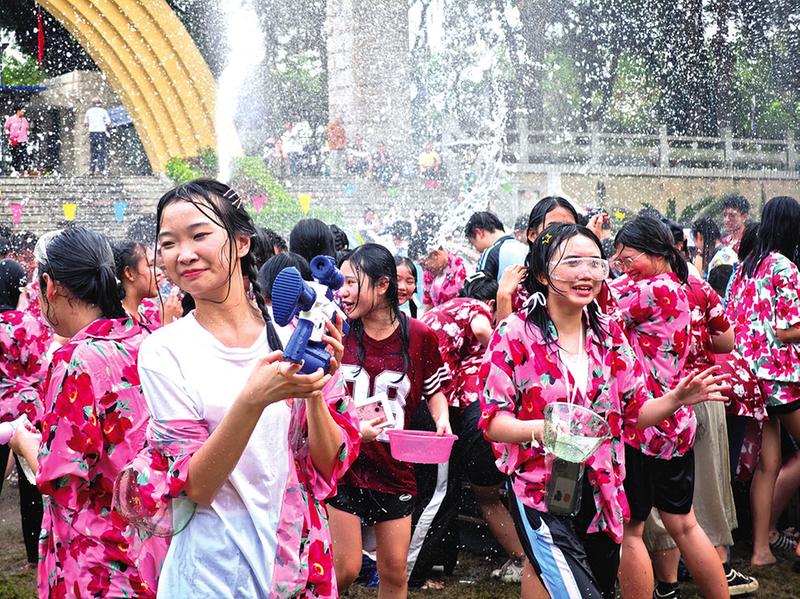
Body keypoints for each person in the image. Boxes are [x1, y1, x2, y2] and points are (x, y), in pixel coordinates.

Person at [113, 179, 360, 597]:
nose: (183, 254)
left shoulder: (293, 331)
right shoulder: (164, 350)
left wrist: (314, 390)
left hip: (293, 563)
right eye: (168, 242)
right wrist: (253, 400)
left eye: (200, 235)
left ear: (242, 242)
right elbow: (198, 485)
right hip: (210, 572)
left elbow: (326, 464)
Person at [480, 223, 729, 599]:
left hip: (603, 492)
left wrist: (676, 399)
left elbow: (634, 414)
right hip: (540, 492)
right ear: (544, 273)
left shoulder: (609, 334)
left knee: (593, 584)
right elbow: (494, 423)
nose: (586, 273)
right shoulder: (516, 334)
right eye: (573, 262)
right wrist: (549, 432)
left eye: (595, 263)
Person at [9, 226, 162, 597]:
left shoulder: (77, 361)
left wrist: (22, 441)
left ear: (50, 286)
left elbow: (62, 479)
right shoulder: (144, 340)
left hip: (95, 559)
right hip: (148, 546)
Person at [609, 217, 729, 599]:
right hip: (674, 423)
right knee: (684, 524)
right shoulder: (677, 283)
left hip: (644, 423)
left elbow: (593, 310)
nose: (623, 267)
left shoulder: (650, 291)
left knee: (631, 530)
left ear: (655, 251)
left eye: (629, 259)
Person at [327, 244, 450, 597]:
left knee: (395, 572)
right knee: (345, 567)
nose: (344, 291)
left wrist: (441, 419)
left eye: (353, 282)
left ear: (382, 285)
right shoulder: (338, 329)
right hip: (345, 463)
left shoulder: (418, 336)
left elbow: (434, 389)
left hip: (395, 466)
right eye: (342, 282)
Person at [644, 267, 759, 597]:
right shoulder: (696, 285)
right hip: (703, 391)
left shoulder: (626, 291)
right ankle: (721, 567)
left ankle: (667, 584)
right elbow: (726, 340)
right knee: (709, 488)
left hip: (654, 400)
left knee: (662, 504)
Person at [422, 273, 529, 583]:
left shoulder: (447, 317)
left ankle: (522, 559)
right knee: (492, 497)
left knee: (484, 496)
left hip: (445, 401)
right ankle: (523, 560)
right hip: (483, 417)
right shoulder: (476, 311)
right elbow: (486, 332)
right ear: (491, 303)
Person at [726, 195, 800, 567]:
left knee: (768, 465)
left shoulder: (745, 267)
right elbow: (789, 332)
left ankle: (760, 550)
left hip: (751, 378)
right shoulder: (785, 268)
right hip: (781, 378)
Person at [0, 259, 47, 569]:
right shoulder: (26, 323)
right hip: (27, 413)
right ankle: (34, 555)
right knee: (33, 486)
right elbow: (41, 367)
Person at [112, 240, 182, 330]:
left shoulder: (147, 314)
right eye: (151, 265)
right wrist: (168, 323)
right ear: (129, 273)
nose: (159, 272)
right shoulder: (115, 324)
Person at [465, 211, 528, 282]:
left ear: (479, 232)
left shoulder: (490, 253)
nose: (476, 249)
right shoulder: (524, 248)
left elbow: (480, 289)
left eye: (473, 243)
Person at [414, 240, 467, 311]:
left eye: (423, 264)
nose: (424, 269)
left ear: (435, 254)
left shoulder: (462, 265)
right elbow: (428, 303)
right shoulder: (429, 273)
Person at [691, 217, 738, 295]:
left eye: (694, 239)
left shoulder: (717, 261)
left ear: (699, 236)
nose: (696, 245)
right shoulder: (728, 252)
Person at [84, 97, 112, 176]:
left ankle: (91, 170)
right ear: (100, 104)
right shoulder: (103, 111)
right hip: (101, 133)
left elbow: (85, 124)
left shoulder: (89, 111)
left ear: (92, 104)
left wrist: (92, 124)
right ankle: (101, 170)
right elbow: (109, 123)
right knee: (102, 152)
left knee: (93, 152)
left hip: (92, 133)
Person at [3, 107, 29, 175]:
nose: (23, 112)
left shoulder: (24, 120)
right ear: (18, 111)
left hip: (23, 140)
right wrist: (10, 134)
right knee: (15, 155)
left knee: (24, 155)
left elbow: (27, 128)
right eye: (22, 111)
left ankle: (25, 169)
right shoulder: (11, 119)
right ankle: (16, 170)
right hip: (14, 141)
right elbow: (5, 128)